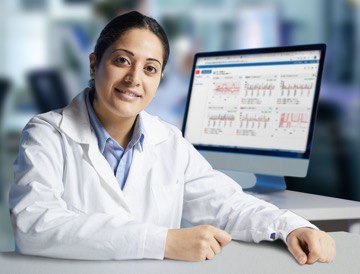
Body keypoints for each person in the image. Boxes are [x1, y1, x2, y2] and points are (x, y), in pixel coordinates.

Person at [9, 11, 335, 264]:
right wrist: (164, 241)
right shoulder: (47, 134)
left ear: (159, 79)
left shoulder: (168, 140)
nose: (134, 78)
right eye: (122, 60)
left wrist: (292, 226)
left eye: (150, 69)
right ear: (95, 64)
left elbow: (226, 204)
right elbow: (35, 226)